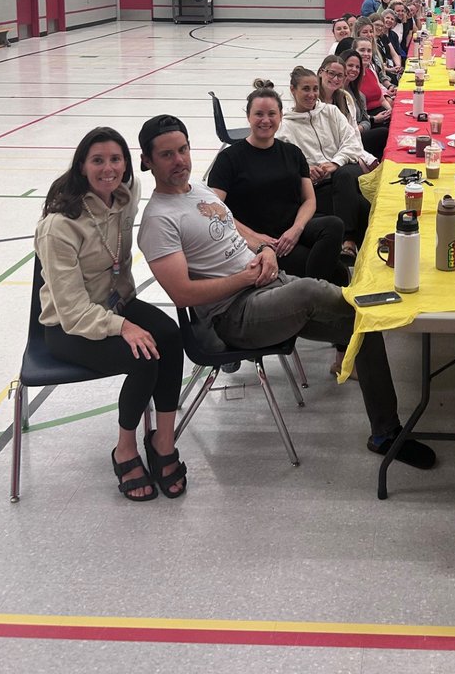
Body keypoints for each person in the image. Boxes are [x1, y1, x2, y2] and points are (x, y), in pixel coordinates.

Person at [137, 115, 436, 470]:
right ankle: (378, 300)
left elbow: (238, 236)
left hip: (265, 287)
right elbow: (183, 294)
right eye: (167, 154)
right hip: (233, 315)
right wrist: (245, 278)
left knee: (363, 323)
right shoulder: (158, 220)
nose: (179, 160)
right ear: (147, 161)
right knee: (312, 290)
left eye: (183, 150)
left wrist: (264, 250)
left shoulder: (198, 190)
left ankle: (386, 433)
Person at [34, 126, 186, 501]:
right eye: (98, 160)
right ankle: (125, 449)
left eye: (116, 159)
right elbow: (71, 311)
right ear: (81, 166)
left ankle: (163, 441)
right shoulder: (59, 227)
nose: (109, 168)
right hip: (70, 327)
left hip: (117, 304)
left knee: (169, 335)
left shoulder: (122, 199)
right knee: (144, 357)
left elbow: (157, 170)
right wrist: (123, 327)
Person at [207, 84, 347, 287]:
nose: (265, 120)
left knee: (334, 225)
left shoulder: (292, 152)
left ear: (281, 116)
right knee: (337, 273)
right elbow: (216, 210)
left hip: (291, 229)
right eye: (259, 114)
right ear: (248, 117)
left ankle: (310, 294)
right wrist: (257, 240)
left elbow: (309, 200)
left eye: (272, 114)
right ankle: (311, 295)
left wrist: (296, 229)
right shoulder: (229, 159)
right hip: (262, 240)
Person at [276, 66, 371, 261]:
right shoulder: (285, 127)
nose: (312, 94)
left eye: (315, 89)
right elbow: (287, 165)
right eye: (306, 89)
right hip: (319, 185)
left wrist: (335, 163)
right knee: (363, 207)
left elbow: (353, 143)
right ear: (293, 90)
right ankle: (359, 257)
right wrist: (306, 170)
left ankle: (348, 241)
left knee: (344, 176)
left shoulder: (331, 112)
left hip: (346, 171)